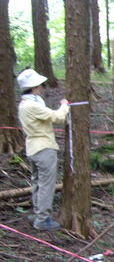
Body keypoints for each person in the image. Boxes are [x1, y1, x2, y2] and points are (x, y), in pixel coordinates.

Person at [17, 69, 69, 231]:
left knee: (38, 183)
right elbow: (58, 117)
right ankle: (42, 219)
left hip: (33, 148)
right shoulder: (32, 105)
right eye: (39, 85)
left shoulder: (25, 104)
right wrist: (64, 106)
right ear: (34, 87)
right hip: (43, 149)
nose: (41, 87)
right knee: (46, 185)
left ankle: (38, 213)